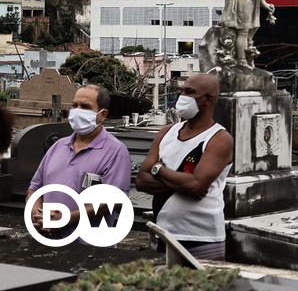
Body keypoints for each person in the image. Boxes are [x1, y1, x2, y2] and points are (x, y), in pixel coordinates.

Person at [137, 73, 233, 260]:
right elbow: (141, 180)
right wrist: (184, 182)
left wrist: (158, 170)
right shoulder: (167, 132)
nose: (182, 96)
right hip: (164, 233)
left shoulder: (219, 138)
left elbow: (195, 185)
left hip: (201, 237)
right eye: (182, 91)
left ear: (209, 99)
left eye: (189, 92)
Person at [27, 84, 131, 238]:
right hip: (47, 239)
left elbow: (113, 201)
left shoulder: (115, 151)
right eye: (74, 105)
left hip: (88, 246)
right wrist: (37, 216)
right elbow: (34, 188)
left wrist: (67, 218)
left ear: (102, 114)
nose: (77, 111)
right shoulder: (58, 146)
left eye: (85, 107)